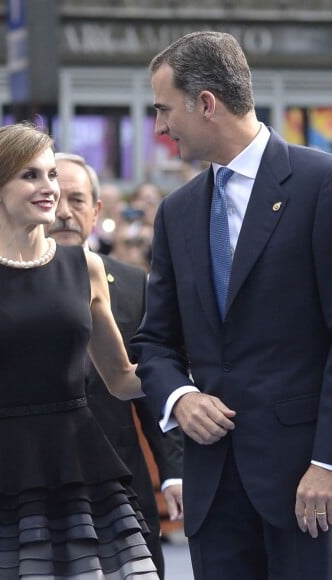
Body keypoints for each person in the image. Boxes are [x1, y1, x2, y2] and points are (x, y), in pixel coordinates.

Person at [0, 123, 159, 579]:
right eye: (31, 176)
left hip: (81, 470)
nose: (49, 189)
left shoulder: (87, 267)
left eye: (51, 175)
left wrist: (196, 368)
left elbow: (121, 379)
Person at [129, 31, 332, 580]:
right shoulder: (177, 211)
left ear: (206, 104)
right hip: (214, 493)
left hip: (306, 490)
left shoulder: (320, 184)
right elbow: (154, 340)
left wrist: (327, 462)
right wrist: (179, 396)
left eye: (163, 110)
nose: (160, 128)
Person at [48, 152, 184, 578]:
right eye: (55, 200)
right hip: (36, 482)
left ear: (96, 210)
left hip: (120, 479)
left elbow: (149, 384)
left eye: (77, 200)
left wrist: (174, 473)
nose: (65, 213)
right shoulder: (0, 283)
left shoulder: (131, 284)